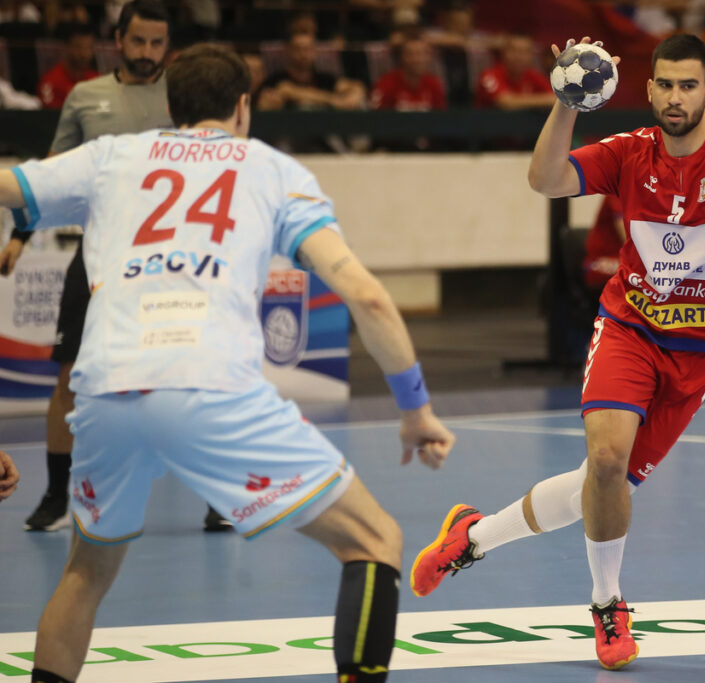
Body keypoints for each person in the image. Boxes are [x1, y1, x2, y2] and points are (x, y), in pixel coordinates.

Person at [0, 42, 454, 683]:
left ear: (169, 104)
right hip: (208, 384)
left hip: (103, 391)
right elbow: (367, 295)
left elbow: (8, 187)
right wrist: (415, 409)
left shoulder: (113, 156)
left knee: (86, 572)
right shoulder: (273, 171)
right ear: (244, 107)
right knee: (374, 541)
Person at [410, 34, 705, 671]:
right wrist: (566, 103)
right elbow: (545, 178)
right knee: (608, 456)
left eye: (688, 85)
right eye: (665, 85)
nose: (676, 97)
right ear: (647, 90)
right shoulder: (628, 152)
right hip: (629, 327)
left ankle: (471, 537)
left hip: (698, 353)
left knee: (600, 485)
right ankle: (607, 604)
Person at [0, 0, 227, 533]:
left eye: (158, 43)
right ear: (119, 40)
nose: (149, 53)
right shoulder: (87, 97)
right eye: (139, 42)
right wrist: (22, 235)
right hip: (99, 257)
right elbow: (51, 175)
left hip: (175, 262)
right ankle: (58, 496)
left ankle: (222, 494)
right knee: (69, 375)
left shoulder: (185, 96)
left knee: (194, 377)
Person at [256, 31, 366, 112]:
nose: (303, 54)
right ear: (288, 51)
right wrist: (333, 101)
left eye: (307, 49)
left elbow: (356, 86)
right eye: (298, 49)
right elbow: (286, 90)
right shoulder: (276, 79)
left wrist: (354, 96)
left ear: (314, 52)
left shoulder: (324, 78)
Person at [474, 34, 554, 110]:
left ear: (531, 55)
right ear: (504, 52)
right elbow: (505, 102)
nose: (519, 57)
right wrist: (546, 101)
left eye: (525, 52)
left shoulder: (532, 75)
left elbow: (555, 97)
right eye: (514, 50)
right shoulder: (488, 75)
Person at [370, 34, 446, 111]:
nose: (418, 60)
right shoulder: (387, 83)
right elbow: (377, 117)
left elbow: (441, 117)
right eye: (411, 54)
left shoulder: (434, 84)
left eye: (423, 54)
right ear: (402, 57)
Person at [37, 23, 99, 110]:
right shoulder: (50, 81)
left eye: (89, 48)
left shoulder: (97, 80)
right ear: (66, 47)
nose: (84, 54)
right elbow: (49, 117)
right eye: (78, 47)